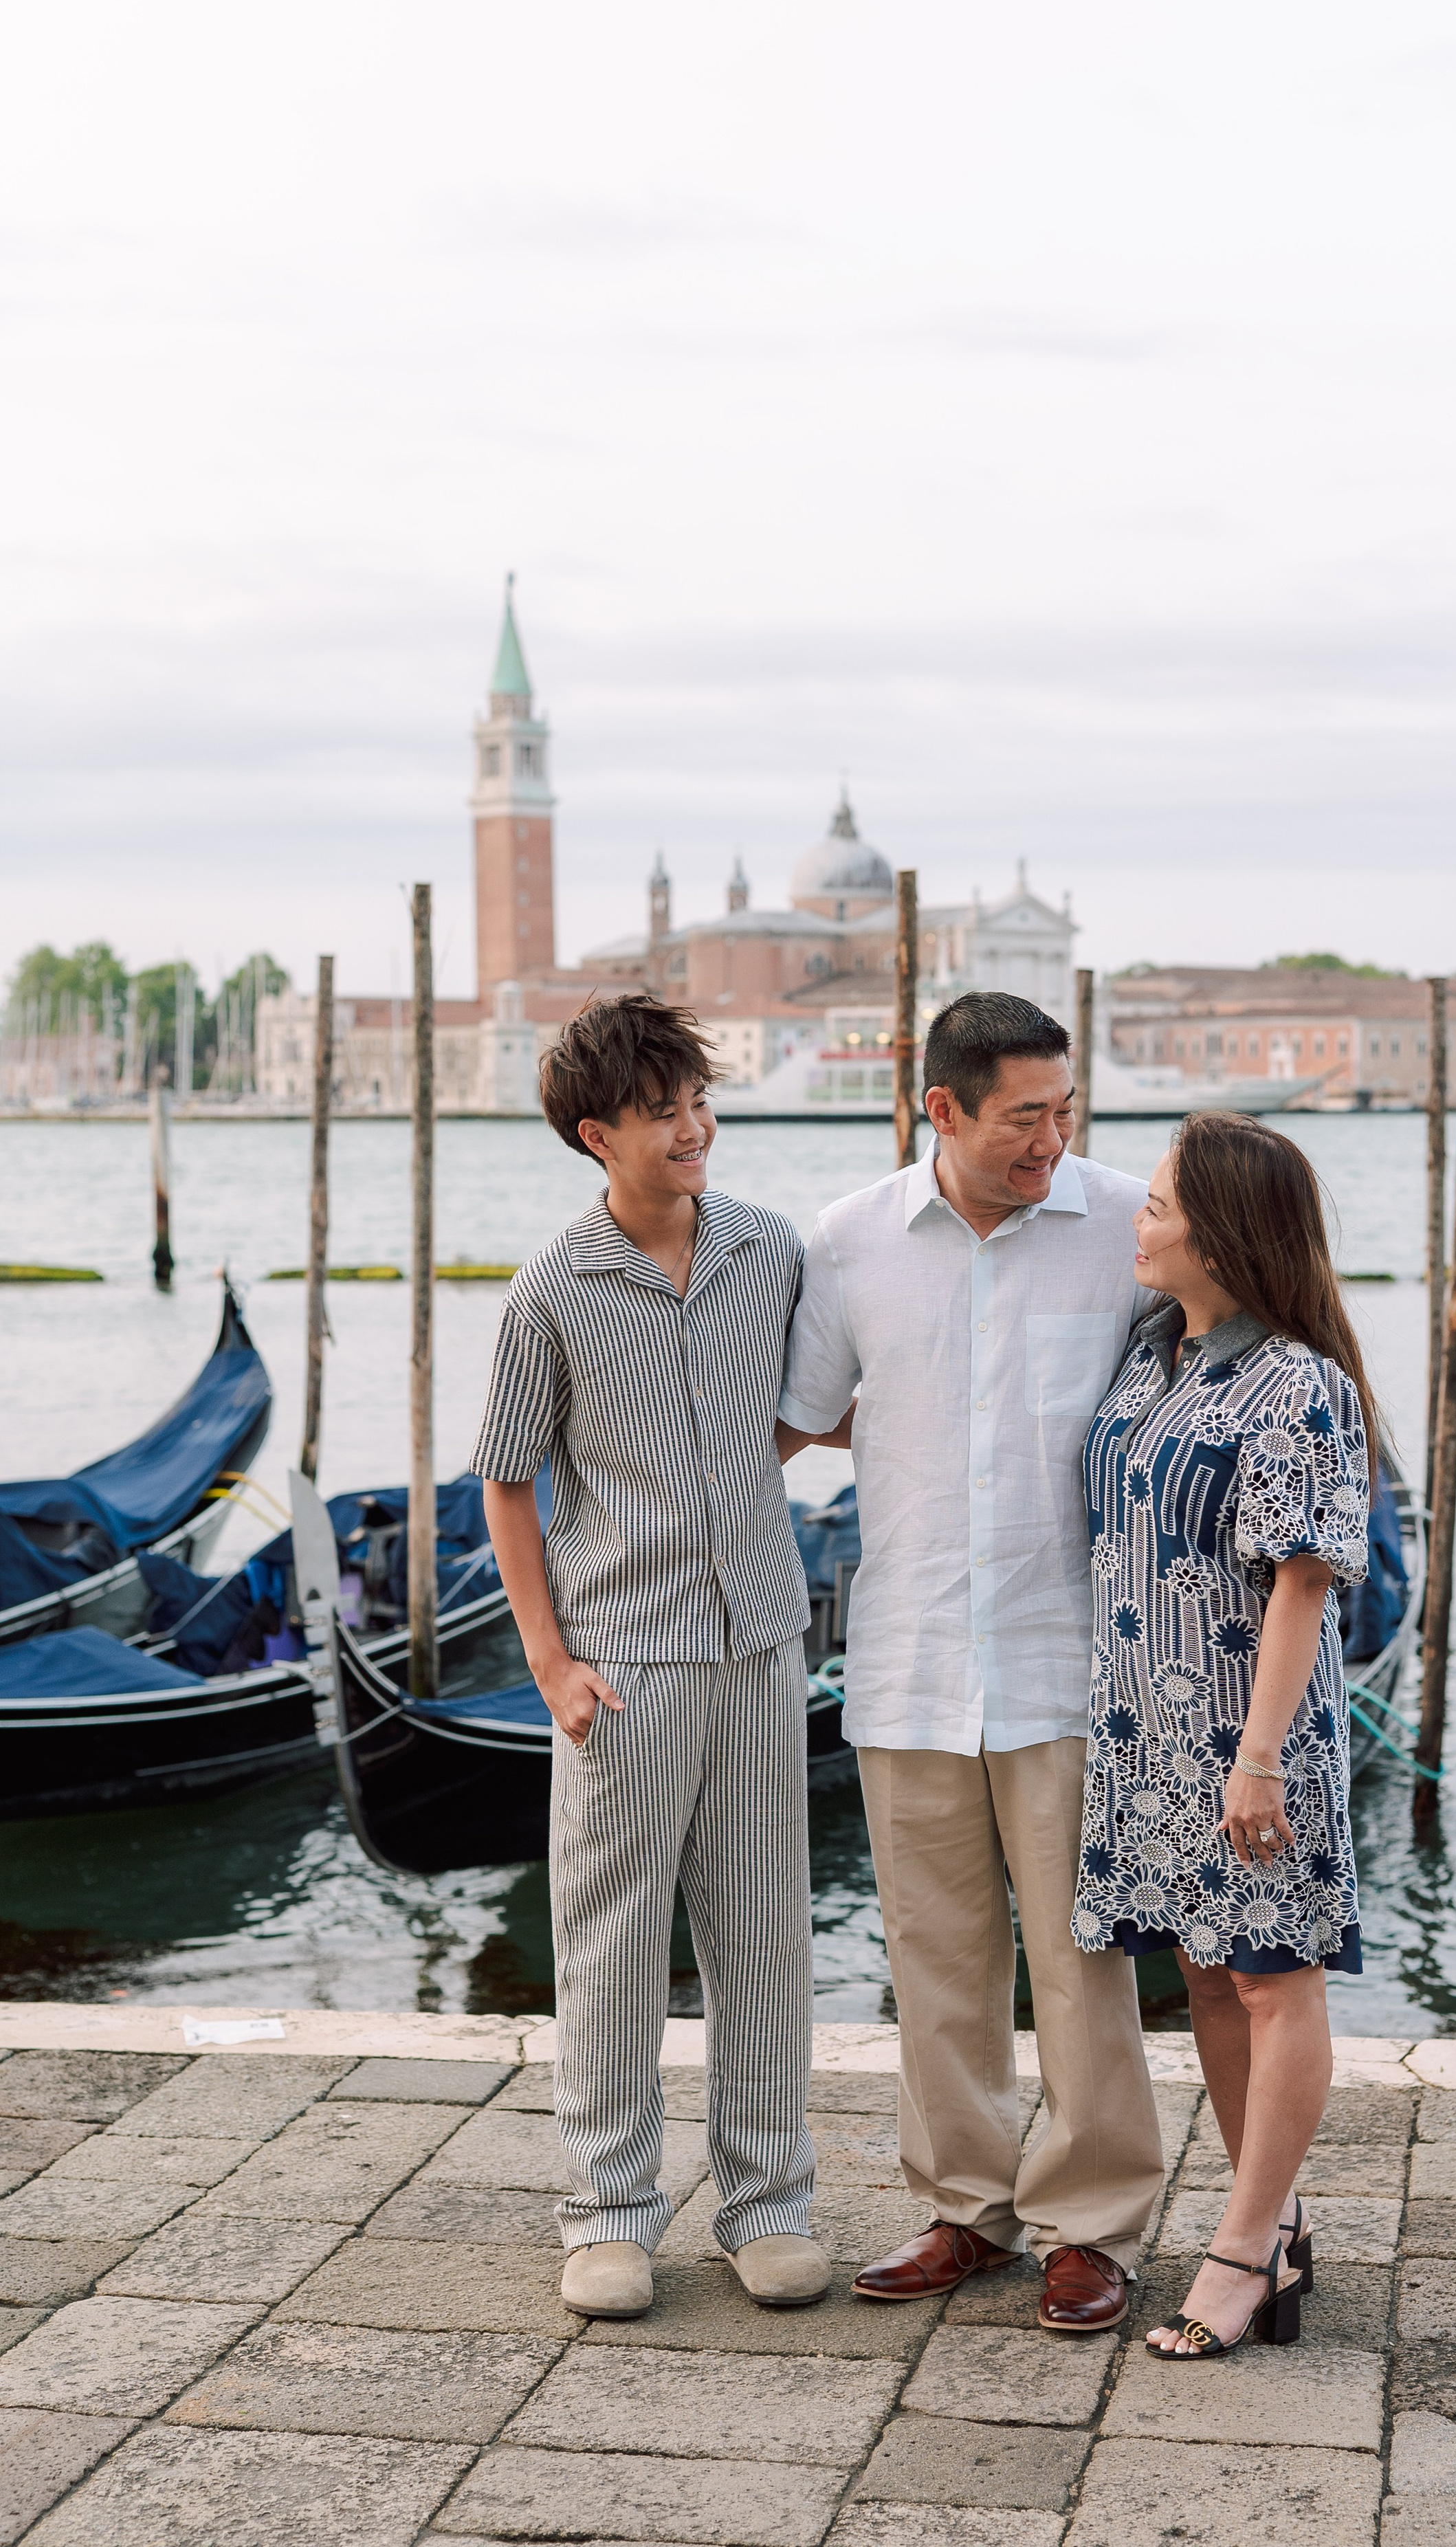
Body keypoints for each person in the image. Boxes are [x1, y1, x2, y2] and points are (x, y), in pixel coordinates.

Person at [777, 991, 1165, 2334]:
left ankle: (1092, 2225)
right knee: (934, 1957)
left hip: (1073, 1653)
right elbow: (797, 1419)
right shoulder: (848, 1240)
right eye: (1022, 1118)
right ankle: (966, 2208)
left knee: (1081, 1959)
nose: (1050, 1140)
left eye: (1064, 1112)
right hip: (909, 1653)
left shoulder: (1130, 1225)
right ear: (940, 1108)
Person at [474, 993, 835, 2321]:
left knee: (765, 1936)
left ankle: (768, 2206)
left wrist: (735, 1480)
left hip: (760, 1640)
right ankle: (608, 2215)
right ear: (597, 1135)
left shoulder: (769, 1250)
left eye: (699, 1102)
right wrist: (550, 1664)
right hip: (623, 1663)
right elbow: (508, 1480)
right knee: (612, 1943)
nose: (694, 1128)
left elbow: (805, 1411)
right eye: (662, 1111)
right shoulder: (551, 1291)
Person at [1073, 1110, 1375, 2359]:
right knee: (1206, 1973)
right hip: (1147, 1734)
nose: (1136, 1224)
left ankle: (1243, 2252)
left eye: (1157, 1206)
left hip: (1254, 1737)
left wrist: (1257, 1761)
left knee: (1272, 1976)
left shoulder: (1297, 1383)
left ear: (1226, 1232)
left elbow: (1303, 1581)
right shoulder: (1151, 1353)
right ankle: (1276, 2226)